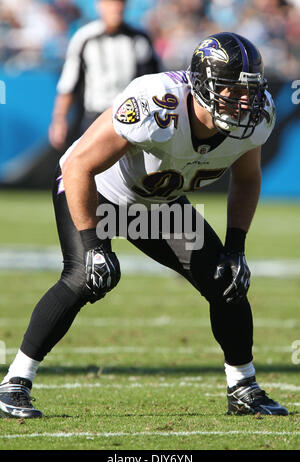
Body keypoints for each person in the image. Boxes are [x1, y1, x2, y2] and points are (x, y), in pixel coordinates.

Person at [0, 32, 288, 418]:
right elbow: (77, 166)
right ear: (203, 85)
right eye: (232, 90)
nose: (244, 101)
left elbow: (249, 178)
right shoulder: (157, 102)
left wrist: (236, 247)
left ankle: (243, 386)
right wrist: (93, 245)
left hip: (158, 203)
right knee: (85, 276)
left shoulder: (256, 118)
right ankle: (14, 382)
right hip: (96, 189)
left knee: (226, 277)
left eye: (249, 91)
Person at [48, 0, 159, 150]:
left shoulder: (139, 38)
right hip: (96, 117)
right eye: (111, 3)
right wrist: (59, 120)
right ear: (99, 5)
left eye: (120, 3)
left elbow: (152, 80)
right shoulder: (84, 38)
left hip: (131, 115)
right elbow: (68, 84)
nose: (116, 7)